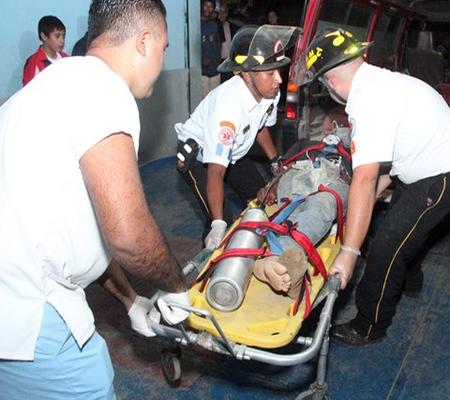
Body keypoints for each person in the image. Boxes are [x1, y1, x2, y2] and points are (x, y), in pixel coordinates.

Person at [0, 1, 191, 398]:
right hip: (34, 317)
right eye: (164, 47)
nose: (162, 59)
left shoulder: (54, 84)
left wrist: (130, 301)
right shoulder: (105, 90)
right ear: (144, 42)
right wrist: (177, 286)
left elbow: (85, 230)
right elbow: (127, 235)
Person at [295, 28, 450, 345]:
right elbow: (391, 160)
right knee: (401, 227)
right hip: (426, 167)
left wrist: (349, 252)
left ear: (332, 82)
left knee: (385, 246)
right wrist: (364, 201)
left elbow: (364, 180)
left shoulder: (369, 101)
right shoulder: (382, 81)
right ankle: (408, 279)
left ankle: (369, 325)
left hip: (446, 176)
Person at [175, 24, 299, 250]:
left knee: (262, 201)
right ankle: (211, 266)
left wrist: (274, 161)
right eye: (270, 73)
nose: (278, 80)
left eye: (278, 71)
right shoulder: (227, 109)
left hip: (235, 150)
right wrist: (219, 223)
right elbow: (216, 171)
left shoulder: (270, 92)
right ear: (246, 73)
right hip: (200, 158)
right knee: (221, 222)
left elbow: (260, 126)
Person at [253, 126, 351, 298]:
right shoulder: (306, 145)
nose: (339, 134)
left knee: (322, 206)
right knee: (289, 207)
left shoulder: (359, 153)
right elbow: (283, 168)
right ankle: (285, 260)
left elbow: (366, 183)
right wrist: (271, 186)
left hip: (336, 178)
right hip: (300, 172)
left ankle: (279, 257)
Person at [23, 15, 69, 86]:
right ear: (44, 36)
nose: (62, 40)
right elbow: (27, 92)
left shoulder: (66, 58)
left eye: (63, 36)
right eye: (57, 36)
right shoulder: (33, 63)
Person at [201, 0, 222, 99]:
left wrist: (217, 63)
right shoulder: (195, 25)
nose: (208, 9)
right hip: (201, 74)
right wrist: (201, 60)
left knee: (214, 103)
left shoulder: (214, 25)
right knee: (203, 104)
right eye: (206, 6)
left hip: (215, 72)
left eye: (210, 7)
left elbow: (218, 46)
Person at [218, 3, 235, 82]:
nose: (222, 14)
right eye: (220, 12)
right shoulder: (214, 26)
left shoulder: (231, 26)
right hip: (218, 63)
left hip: (230, 62)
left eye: (224, 12)